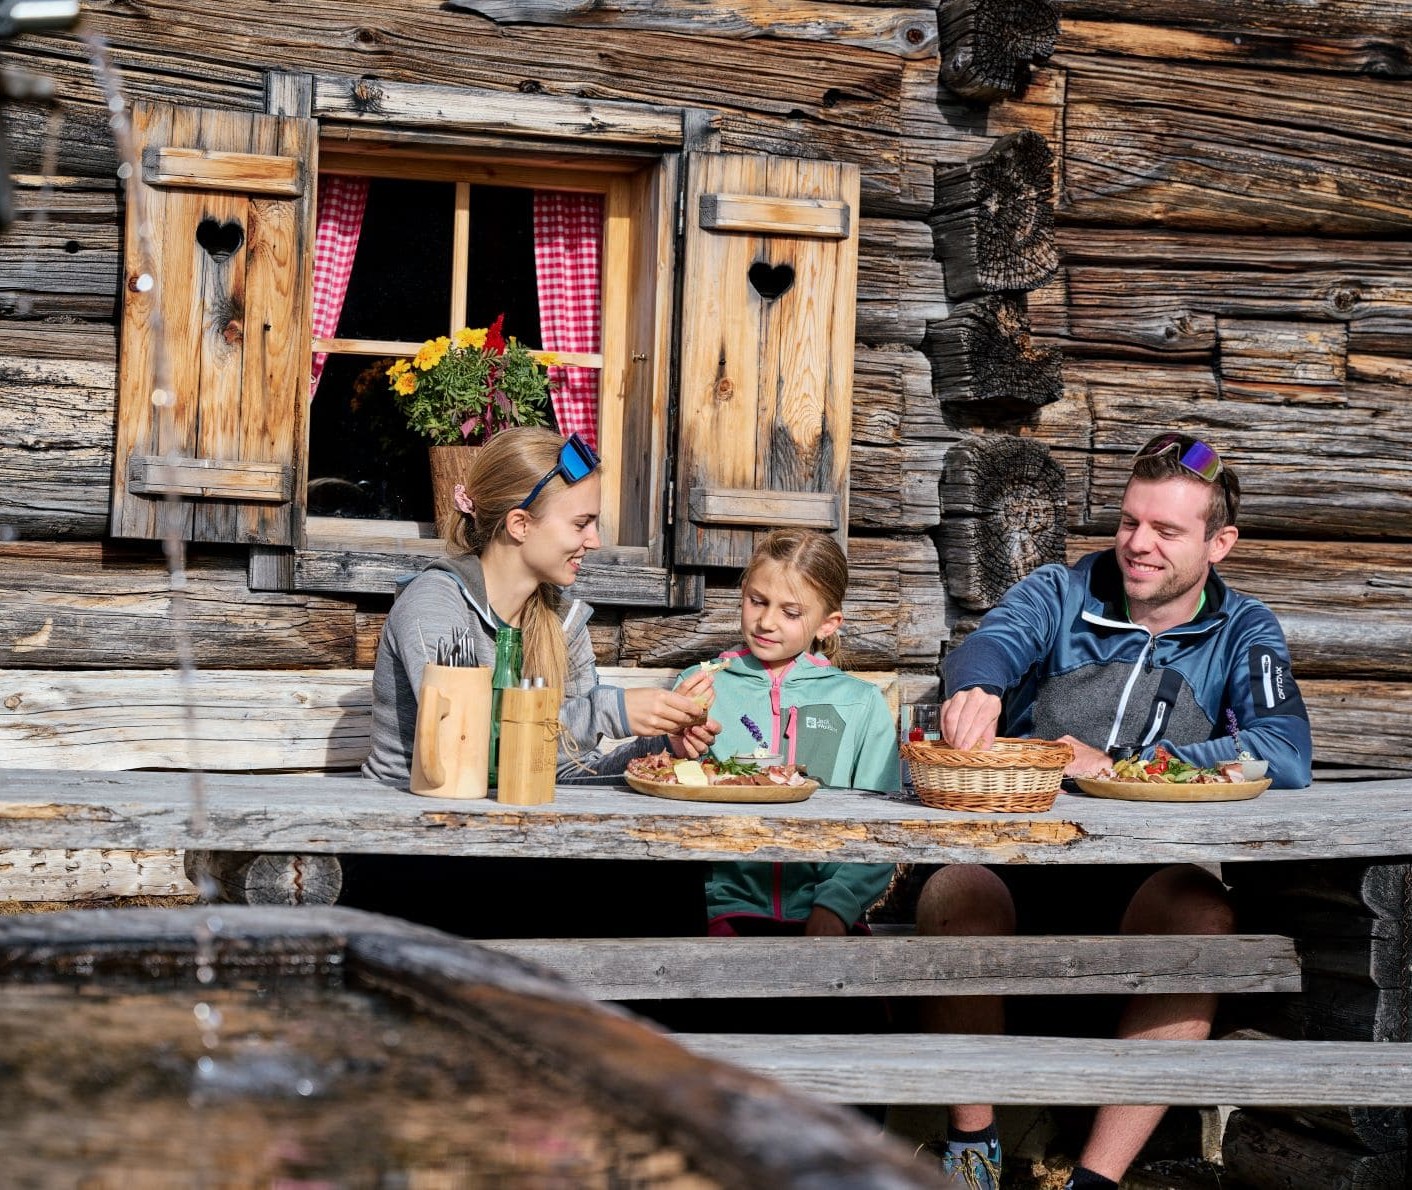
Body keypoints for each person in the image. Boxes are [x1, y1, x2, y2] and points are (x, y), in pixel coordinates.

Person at [916, 433, 1313, 1189]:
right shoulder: (1063, 590)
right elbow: (992, 642)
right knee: (952, 889)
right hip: (1020, 858)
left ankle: (1094, 1181)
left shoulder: (1244, 629)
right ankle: (972, 1155)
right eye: (1130, 521)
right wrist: (979, 687)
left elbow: (1285, 750)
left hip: (1145, 878)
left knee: (1205, 915)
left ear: (1219, 543)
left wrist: (1123, 764)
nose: (1138, 544)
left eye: (1167, 530)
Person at [353, 426, 718, 935]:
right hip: (413, 839)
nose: (594, 541)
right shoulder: (435, 603)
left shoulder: (560, 621)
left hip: (508, 839)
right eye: (581, 523)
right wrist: (611, 710)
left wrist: (660, 745)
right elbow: (470, 744)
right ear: (520, 524)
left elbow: (565, 767)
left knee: (672, 875)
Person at [679, 528, 900, 941]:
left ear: (827, 624)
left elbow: (883, 828)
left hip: (832, 916)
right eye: (757, 601)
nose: (766, 622)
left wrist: (837, 905)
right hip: (721, 911)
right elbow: (673, 795)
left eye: (791, 612)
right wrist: (677, 742)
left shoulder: (861, 704)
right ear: (743, 592)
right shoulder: (701, 686)